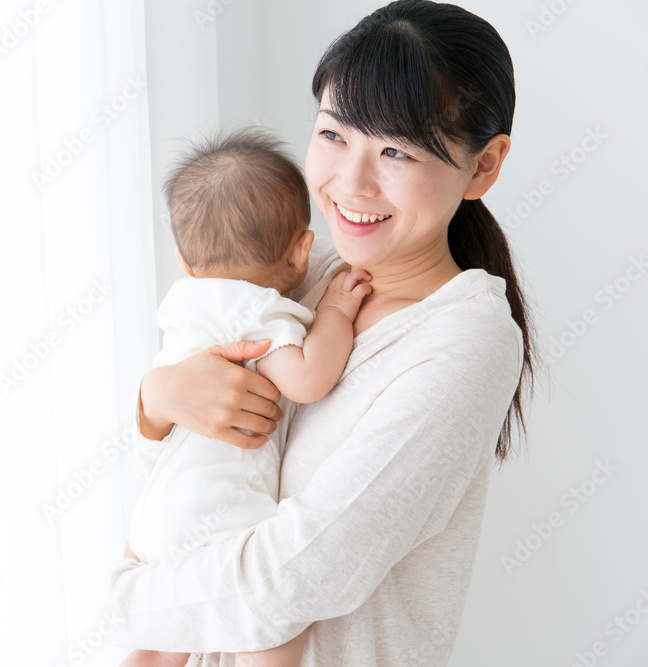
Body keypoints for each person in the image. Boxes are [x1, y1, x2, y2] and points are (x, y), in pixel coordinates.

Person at [105, 1, 537, 665]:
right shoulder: (305, 274)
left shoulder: (465, 341)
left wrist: (125, 599)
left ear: (484, 165)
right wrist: (156, 401)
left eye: (396, 149)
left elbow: (294, 577)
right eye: (335, 134)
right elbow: (197, 473)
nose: (350, 182)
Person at [119, 128, 372, 667]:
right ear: (302, 250)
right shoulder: (260, 309)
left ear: (187, 262)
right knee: (271, 629)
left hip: (158, 513)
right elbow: (306, 379)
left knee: (163, 645)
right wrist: (334, 314)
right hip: (221, 509)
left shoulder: (183, 304)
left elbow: (156, 419)